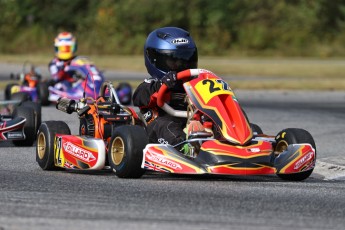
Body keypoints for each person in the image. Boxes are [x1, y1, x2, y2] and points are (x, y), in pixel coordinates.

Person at [133, 27, 203, 156]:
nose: (180, 65)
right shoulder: (152, 83)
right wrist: (161, 85)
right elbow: (138, 97)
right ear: (155, 59)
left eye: (185, 60)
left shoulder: (193, 84)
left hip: (191, 123)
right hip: (157, 125)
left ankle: (240, 141)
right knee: (167, 126)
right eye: (173, 61)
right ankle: (186, 150)